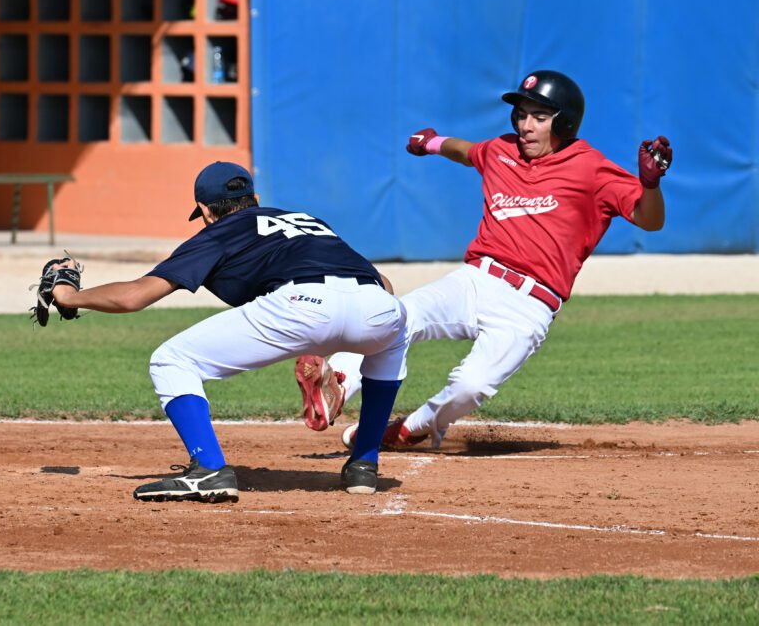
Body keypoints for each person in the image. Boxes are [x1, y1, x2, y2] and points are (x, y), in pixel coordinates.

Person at [294, 69, 672, 451]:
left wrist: (651, 186)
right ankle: (336, 379)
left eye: (539, 117)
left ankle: (414, 426)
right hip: (477, 279)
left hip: (530, 303)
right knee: (400, 316)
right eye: (521, 115)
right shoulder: (502, 150)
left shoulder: (590, 167)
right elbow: (467, 151)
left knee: (470, 387)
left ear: (565, 122)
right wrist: (432, 142)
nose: (526, 125)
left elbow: (648, 219)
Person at [46, 161, 410, 502]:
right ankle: (364, 464)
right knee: (392, 338)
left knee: (172, 360)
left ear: (206, 211)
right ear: (255, 200)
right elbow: (384, 283)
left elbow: (133, 296)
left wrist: (70, 296)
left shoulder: (220, 232)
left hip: (301, 303)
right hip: (379, 305)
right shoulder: (305, 220)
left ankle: (208, 470)